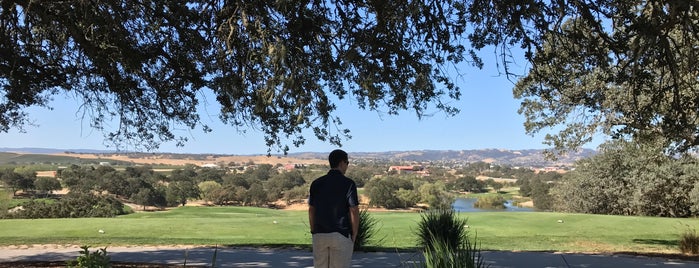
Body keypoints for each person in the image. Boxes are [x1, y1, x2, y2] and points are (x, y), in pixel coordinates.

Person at [308, 149, 360, 268]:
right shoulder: (348, 184)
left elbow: (311, 209)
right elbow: (354, 210)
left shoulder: (316, 183)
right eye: (347, 163)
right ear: (342, 163)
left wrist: (313, 230)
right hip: (340, 234)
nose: (347, 166)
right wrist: (354, 232)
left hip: (319, 234)